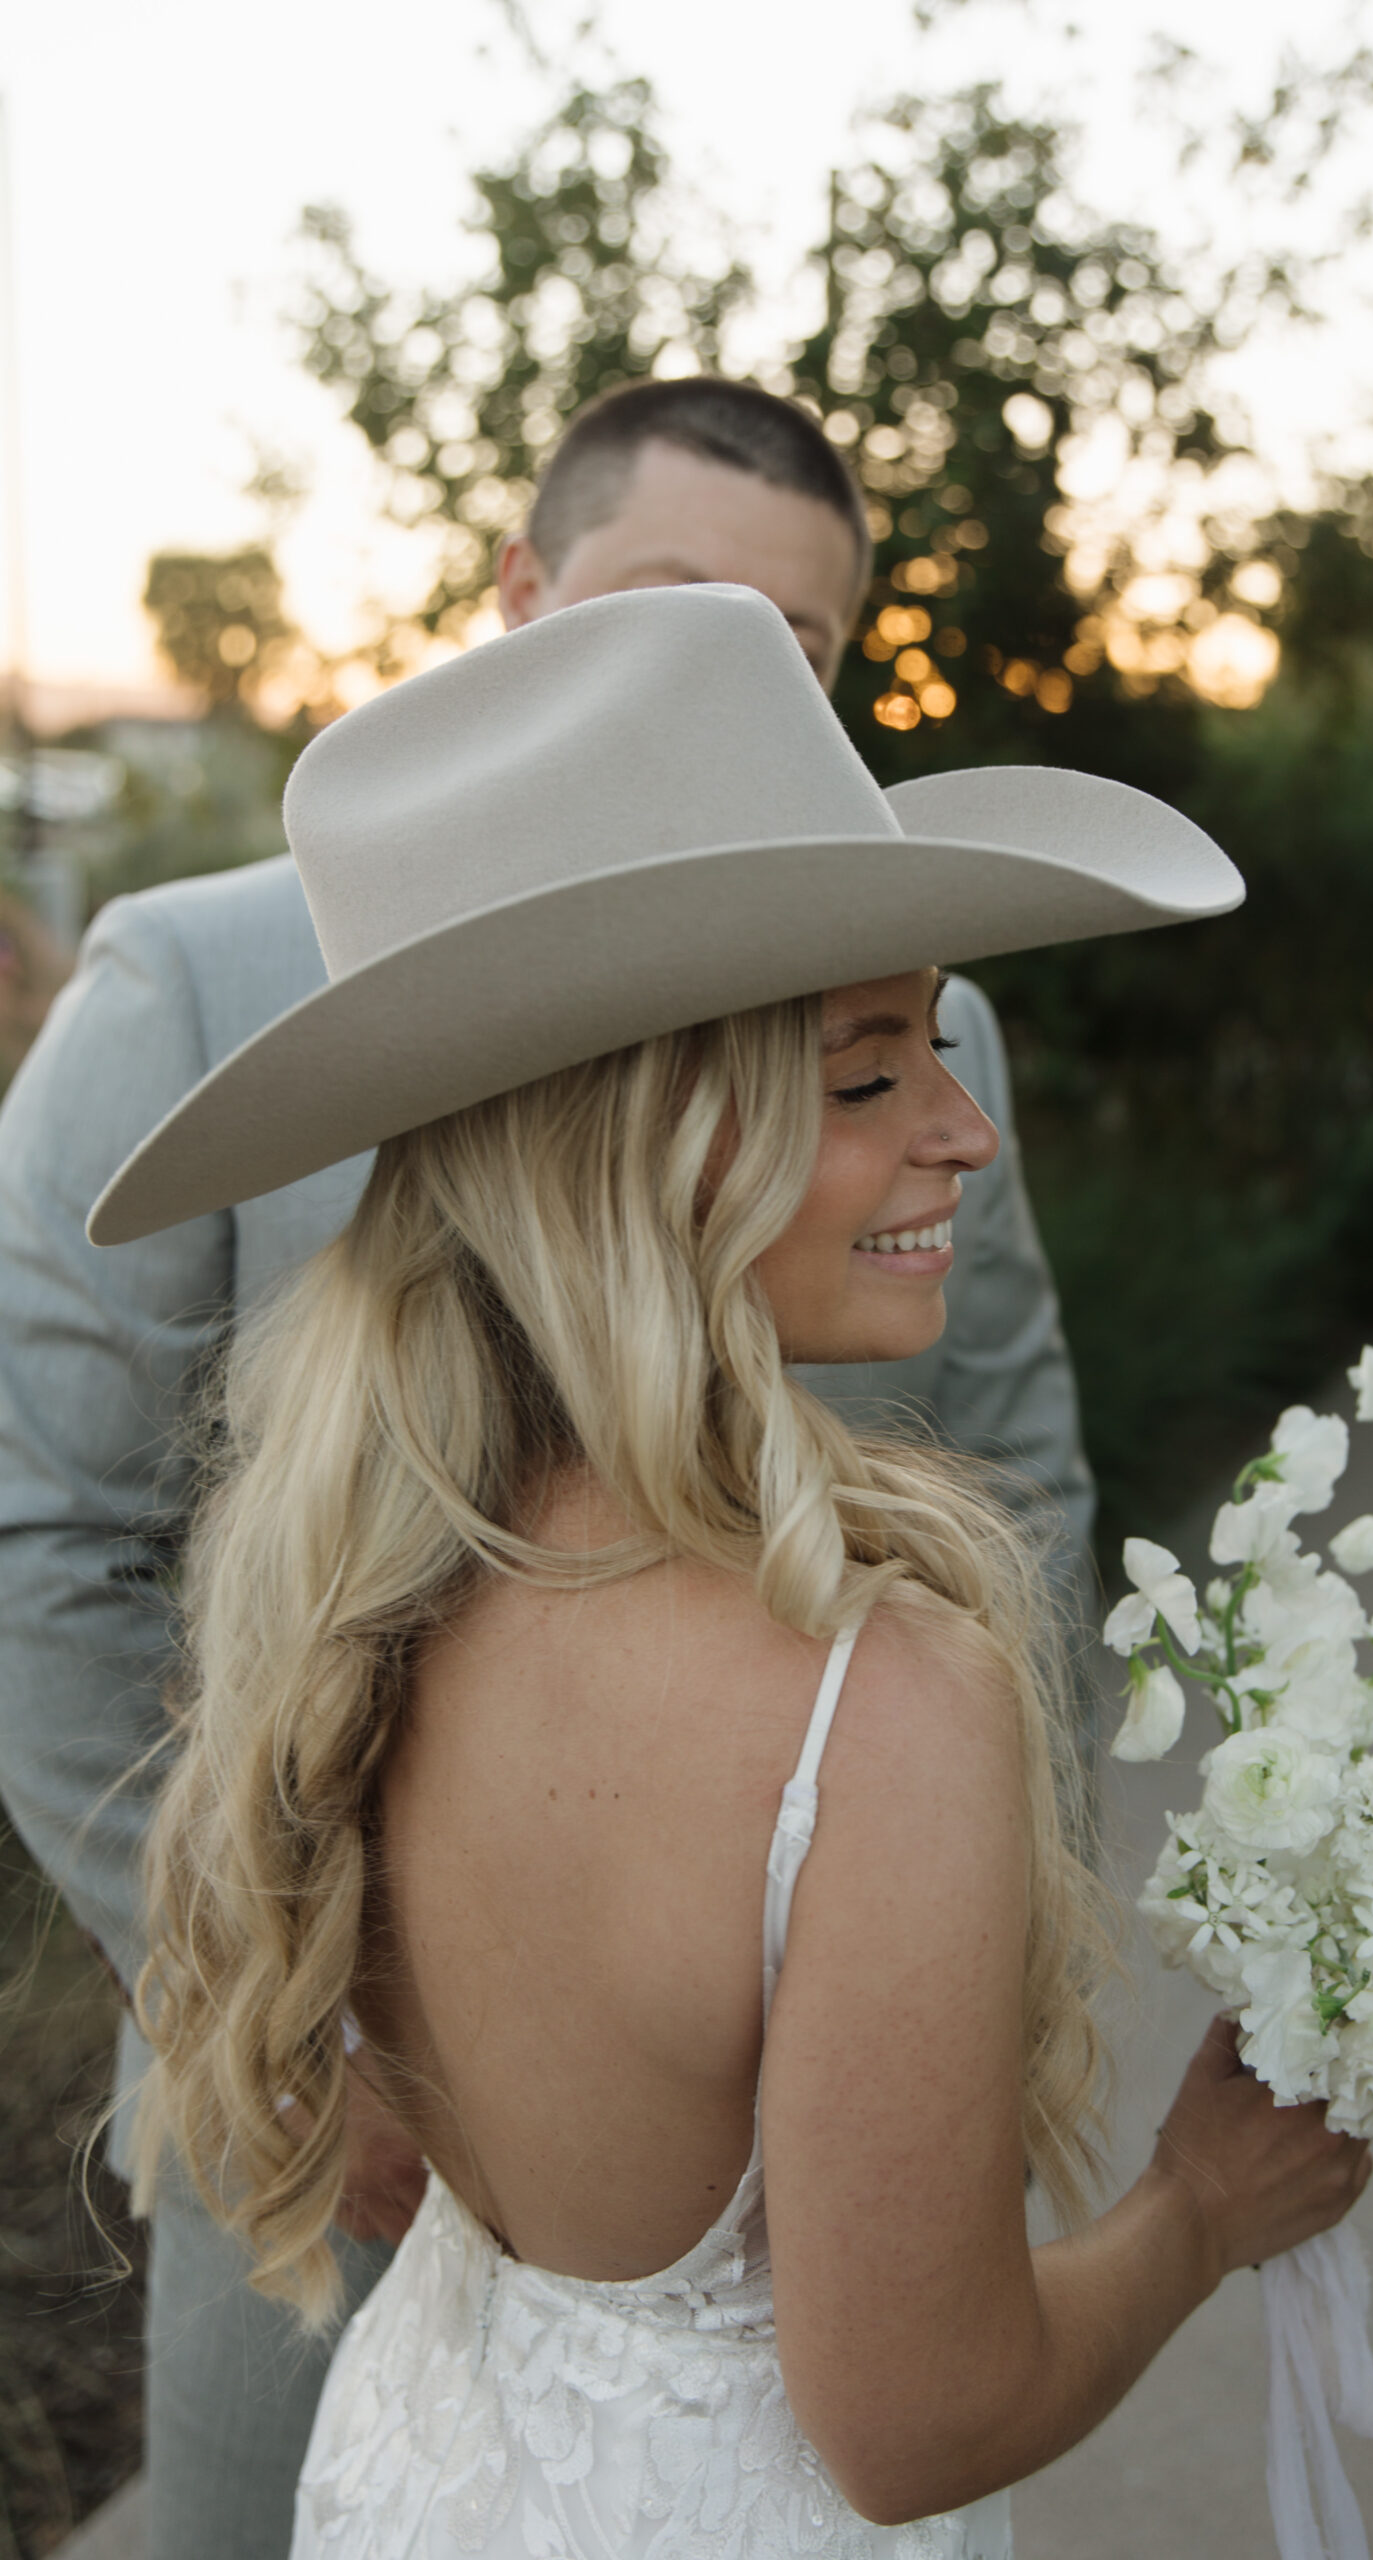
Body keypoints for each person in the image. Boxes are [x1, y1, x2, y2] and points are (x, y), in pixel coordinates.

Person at [95, 582, 1368, 2559]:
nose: (959, 1131)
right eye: (864, 1075)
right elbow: (917, 2419)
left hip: (413, 2483)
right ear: (638, 1143)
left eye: (931, 1047)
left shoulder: (362, 1588)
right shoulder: (869, 1704)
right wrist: (1196, 2205)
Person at [0, 383, 1094, 2560]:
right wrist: (304, 1983)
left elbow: (1020, 1453)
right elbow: (39, 1535)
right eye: (677, 612)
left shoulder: (916, 1029)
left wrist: (952, 1926)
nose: (743, 687)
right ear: (518, 594)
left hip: (805, 2088)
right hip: (311, 2111)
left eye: (796, 652)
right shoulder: (199, 973)